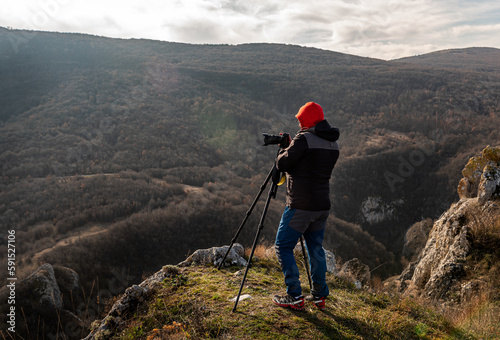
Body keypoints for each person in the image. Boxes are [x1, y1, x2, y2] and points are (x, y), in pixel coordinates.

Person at [272, 102, 340, 311]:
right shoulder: (333, 144)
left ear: (306, 120)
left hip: (300, 205)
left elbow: (283, 164)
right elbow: (310, 164)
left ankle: (294, 295)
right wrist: (293, 148)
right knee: (315, 249)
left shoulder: (303, 139)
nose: (299, 123)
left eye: (300, 119)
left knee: (283, 246)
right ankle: (319, 295)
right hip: (322, 206)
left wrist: (285, 149)